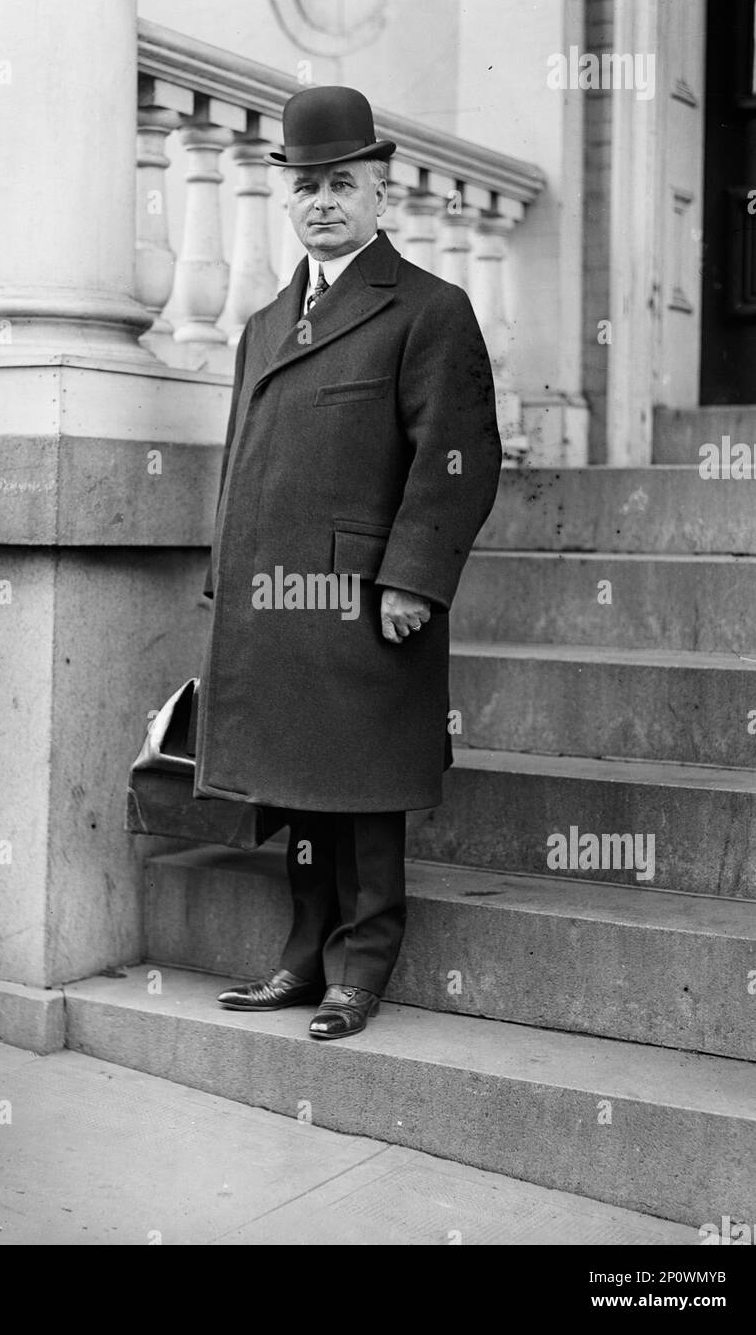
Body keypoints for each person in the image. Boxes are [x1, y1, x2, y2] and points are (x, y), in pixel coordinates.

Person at [194, 85, 502, 1040]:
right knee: (295, 787)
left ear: (380, 194)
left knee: (364, 795)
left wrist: (413, 577)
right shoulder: (262, 323)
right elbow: (249, 463)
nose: (320, 202)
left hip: (364, 598)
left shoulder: (429, 309)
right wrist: (227, 576)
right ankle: (300, 957)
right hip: (276, 598)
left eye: (340, 184)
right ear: (286, 200)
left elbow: (457, 458)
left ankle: (359, 970)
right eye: (305, 187)